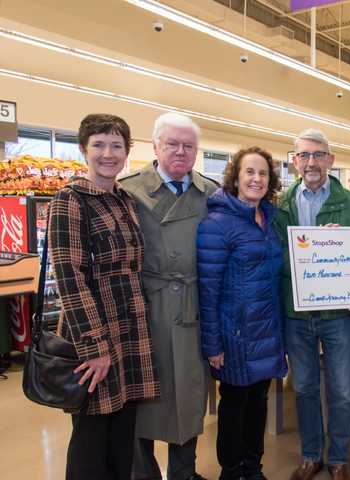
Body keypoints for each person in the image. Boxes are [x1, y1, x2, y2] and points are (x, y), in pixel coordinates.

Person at [49, 114, 159, 479]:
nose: (108, 154)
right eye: (98, 145)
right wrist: (95, 347)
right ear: (84, 150)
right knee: (91, 442)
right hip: (93, 337)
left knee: (122, 438)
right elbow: (69, 278)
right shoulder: (70, 200)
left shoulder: (125, 200)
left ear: (128, 152)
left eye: (116, 146)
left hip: (129, 334)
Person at [119, 112, 218, 480]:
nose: (180, 151)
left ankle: (184, 473)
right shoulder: (127, 190)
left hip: (193, 307)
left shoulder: (210, 192)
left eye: (188, 145)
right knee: (141, 397)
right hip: (145, 308)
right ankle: (143, 474)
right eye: (172, 144)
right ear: (156, 145)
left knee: (189, 396)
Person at [274, 129, 350, 480]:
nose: (311, 162)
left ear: (330, 159)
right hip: (296, 312)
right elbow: (276, 256)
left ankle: (339, 457)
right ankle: (311, 455)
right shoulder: (281, 204)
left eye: (318, 155)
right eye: (304, 155)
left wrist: (334, 247)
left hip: (336, 313)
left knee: (343, 390)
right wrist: (310, 252)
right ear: (294, 160)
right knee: (304, 389)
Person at [197, 146, 288, 480]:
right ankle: (231, 470)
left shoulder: (271, 220)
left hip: (267, 330)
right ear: (235, 177)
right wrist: (212, 345)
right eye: (249, 172)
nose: (256, 179)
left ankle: (253, 466)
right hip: (234, 333)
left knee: (259, 402)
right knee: (235, 404)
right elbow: (207, 290)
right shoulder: (217, 224)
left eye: (263, 173)